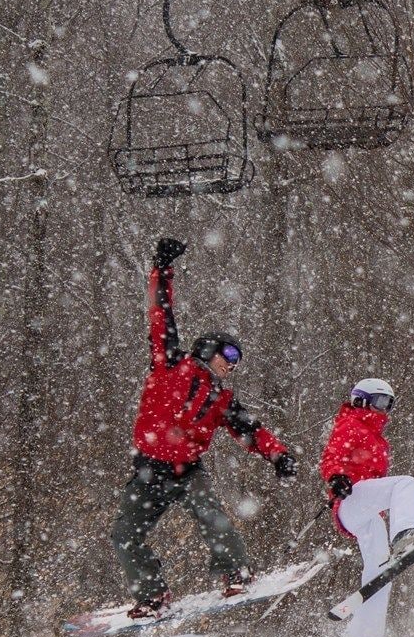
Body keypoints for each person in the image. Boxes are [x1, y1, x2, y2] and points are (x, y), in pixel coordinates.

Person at [112, 237, 297, 617]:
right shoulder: (168, 364)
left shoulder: (222, 400)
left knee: (213, 519)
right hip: (148, 470)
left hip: (187, 472)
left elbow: (251, 430)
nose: (233, 364)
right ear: (209, 349)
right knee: (124, 536)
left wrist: (278, 455)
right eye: (229, 355)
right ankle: (151, 595)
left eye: (237, 360)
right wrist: (162, 268)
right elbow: (160, 314)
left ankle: (236, 573)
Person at [320, 377, 414, 637]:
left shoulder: (378, 439)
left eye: (389, 404)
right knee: (406, 484)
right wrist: (336, 477)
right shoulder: (350, 424)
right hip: (351, 499)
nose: (384, 410)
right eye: (379, 402)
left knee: (381, 572)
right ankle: (406, 533)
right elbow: (332, 455)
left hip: (364, 512)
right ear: (361, 400)